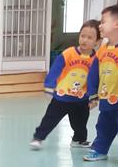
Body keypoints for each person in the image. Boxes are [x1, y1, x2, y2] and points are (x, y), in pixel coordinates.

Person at [29, 20, 99, 149]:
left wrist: (94, 97)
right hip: (62, 96)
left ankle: (79, 140)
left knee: (81, 122)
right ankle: (38, 137)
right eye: (82, 36)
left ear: (97, 41)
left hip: (81, 98)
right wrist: (49, 86)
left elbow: (95, 79)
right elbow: (55, 69)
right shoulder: (69, 53)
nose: (84, 40)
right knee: (50, 119)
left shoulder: (96, 59)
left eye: (90, 37)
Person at [83, 4, 118, 163]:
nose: (100, 25)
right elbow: (93, 72)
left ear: (117, 24)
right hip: (106, 97)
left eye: (103, 22)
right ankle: (99, 150)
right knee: (103, 126)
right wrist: (93, 94)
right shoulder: (103, 49)